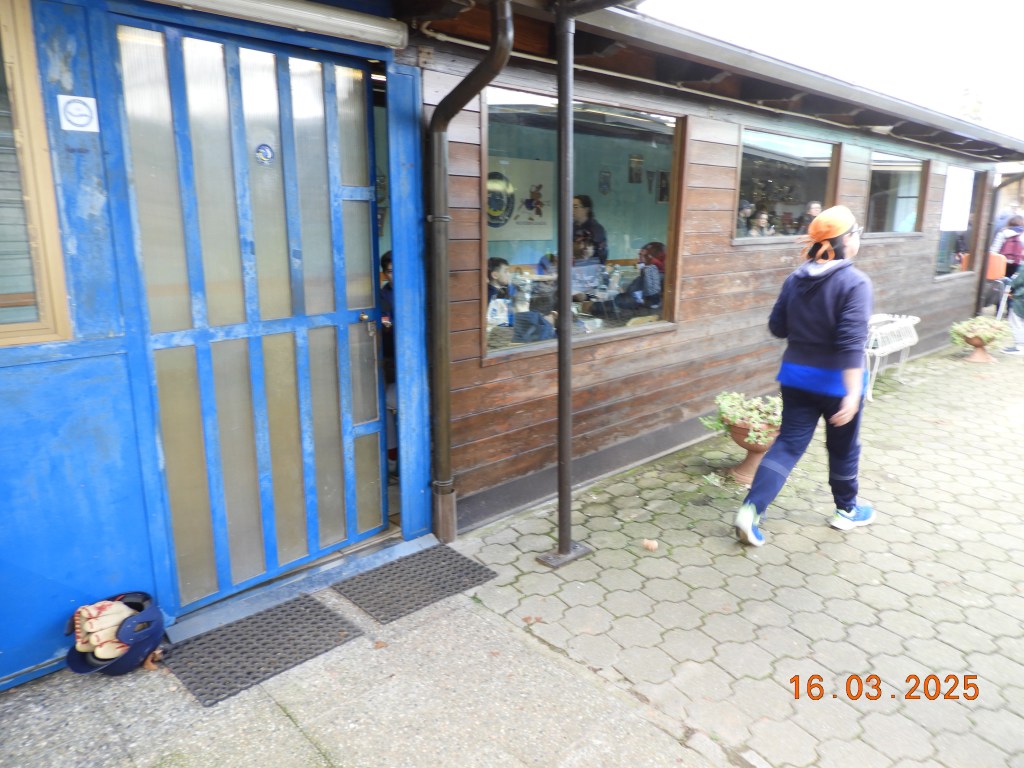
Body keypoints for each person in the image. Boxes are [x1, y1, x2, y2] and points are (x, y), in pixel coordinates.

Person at [733, 205, 875, 547]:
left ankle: (751, 510)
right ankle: (846, 510)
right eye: (856, 232)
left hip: (796, 378)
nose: (858, 237)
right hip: (838, 385)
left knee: (787, 445)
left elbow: (777, 327)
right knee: (842, 448)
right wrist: (852, 393)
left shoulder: (795, 279)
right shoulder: (855, 283)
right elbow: (851, 344)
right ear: (845, 240)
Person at [589, 242, 665, 318]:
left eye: (643, 255)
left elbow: (650, 298)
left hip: (635, 309)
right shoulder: (649, 273)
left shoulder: (652, 271)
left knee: (598, 306)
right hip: (632, 306)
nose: (640, 259)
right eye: (640, 255)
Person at [379, 252, 399, 478]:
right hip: (393, 359)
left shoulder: (419, 291)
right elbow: (386, 327)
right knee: (385, 402)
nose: (397, 275)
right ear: (385, 274)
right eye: (391, 271)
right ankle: (392, 457)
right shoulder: (382, 297)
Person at [572, 195, 608, 264]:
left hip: (592, 267)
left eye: (575, 207)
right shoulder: (571, 228)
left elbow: (601, 254)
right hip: (575, 267)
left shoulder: (596, 229)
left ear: (586, 209)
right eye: (570, 207)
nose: (572, 210)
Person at [1000, 266, 1024, 355]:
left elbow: (1017, 281)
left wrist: (1009, 283)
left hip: (1021, 298)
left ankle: (1020, 346)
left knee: (1016, 321)